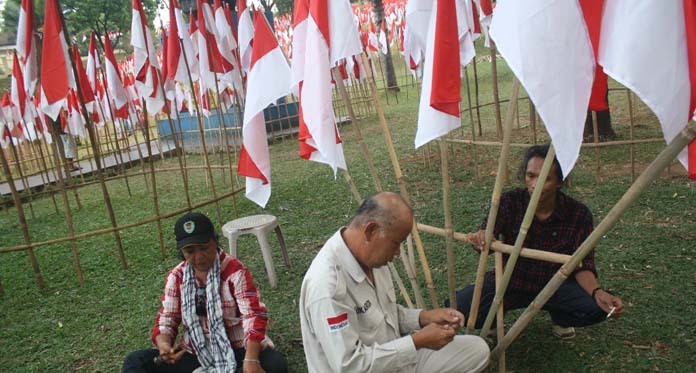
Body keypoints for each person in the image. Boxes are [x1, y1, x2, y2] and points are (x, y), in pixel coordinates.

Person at [448, 144, 624, 339]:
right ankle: (498, 311)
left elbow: (583, 264)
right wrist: (483, 236)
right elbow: (488, 232)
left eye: (545, 179)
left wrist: (597, 292)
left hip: (555, 286)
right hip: (510, 280)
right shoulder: (509, 201)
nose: (535, 184)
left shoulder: (578, 214)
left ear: (559, 182)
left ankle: (561, 317)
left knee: (597, 308)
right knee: (459, 308)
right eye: (531, 176)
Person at [300, 192, 490, 372]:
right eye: (396, 242)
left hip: (394, 361)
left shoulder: (373, 258)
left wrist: (424, 317)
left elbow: (383, 313)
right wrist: (417, 342)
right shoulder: (327, 286)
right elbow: (350, 366)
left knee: (477, 350)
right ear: (371, 231)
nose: (398, 252)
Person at [123, 212, 287, 373]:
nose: (199, 257)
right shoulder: (177, 277)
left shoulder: (235, 272)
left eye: (204, 248)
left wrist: (251, 359)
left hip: (237, 349)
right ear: (182, 253)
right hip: (195, 352)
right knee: (136, 361)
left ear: (215, 241)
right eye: (190, 252)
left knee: (274, 365)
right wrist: (165, 346)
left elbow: (253, 316)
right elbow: (167, 318)